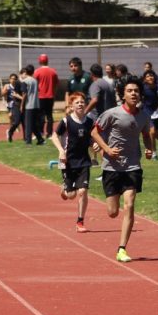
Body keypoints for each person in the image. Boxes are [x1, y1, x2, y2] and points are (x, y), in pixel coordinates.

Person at [91, 76, 155, 262]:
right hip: (112, 167)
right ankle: (113, 205)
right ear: (123, 94)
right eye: (130, 91)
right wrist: (107, 149)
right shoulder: (112, 113)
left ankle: (122, 249)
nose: (134, 93)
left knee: (130, 205)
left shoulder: (143, 115)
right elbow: (94, 132)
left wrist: (149, 149)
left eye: (136, 91)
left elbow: (145, 134)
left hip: (133, 166)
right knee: (113, 212)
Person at [55, 92, 94, 232]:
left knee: (83, 191)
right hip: (68, 162)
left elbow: (92, 138)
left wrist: (94, 144)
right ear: (71, 106)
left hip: (84, 161)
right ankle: (65, 190)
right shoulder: (66, 121)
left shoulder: (89, 121)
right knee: (71, 195)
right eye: (77, 102)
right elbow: (54, 136)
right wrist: (61, 150)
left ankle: (80, 221)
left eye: (82, 102)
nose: (80, 104)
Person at [140, 69, 158, 159]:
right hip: (148, 113)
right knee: (152, 132)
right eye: (148, 76)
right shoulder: (143, 88)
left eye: (151, 76)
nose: (150, 77)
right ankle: (154, 153)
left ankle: (152, 143)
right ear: (145, 79)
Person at [33, 54, 59, 138]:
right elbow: (56, 84)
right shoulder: (53, 71)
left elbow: (34, 84)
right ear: (47, 61)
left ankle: (40, 132)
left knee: (40, 116)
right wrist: (53, 93)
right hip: (50, 96)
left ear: (40, 61)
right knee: (49, 115)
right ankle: (49, 133)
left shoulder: (37, 71)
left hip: (40, 97)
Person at [20, 64, 43, 145]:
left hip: (29, 105)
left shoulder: (25, 81)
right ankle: (40, 139)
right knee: (33, 124)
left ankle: (28, 141)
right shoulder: (35, 80)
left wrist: (21, 105)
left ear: (26, 71)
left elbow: (24, 94)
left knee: (28, 124)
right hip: (36, 105)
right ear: (33, 71)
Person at [2, 72, 25, 142]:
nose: (13, 80)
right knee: (11, 116)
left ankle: (11, 130)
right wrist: (6, 91)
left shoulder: (18, 85)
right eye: (12, 79)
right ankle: (11, 130)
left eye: (15, 79)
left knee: (14, 118)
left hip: (17, 104)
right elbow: (2, 94)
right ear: (9, 79)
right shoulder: (7, 86)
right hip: (10, 104)